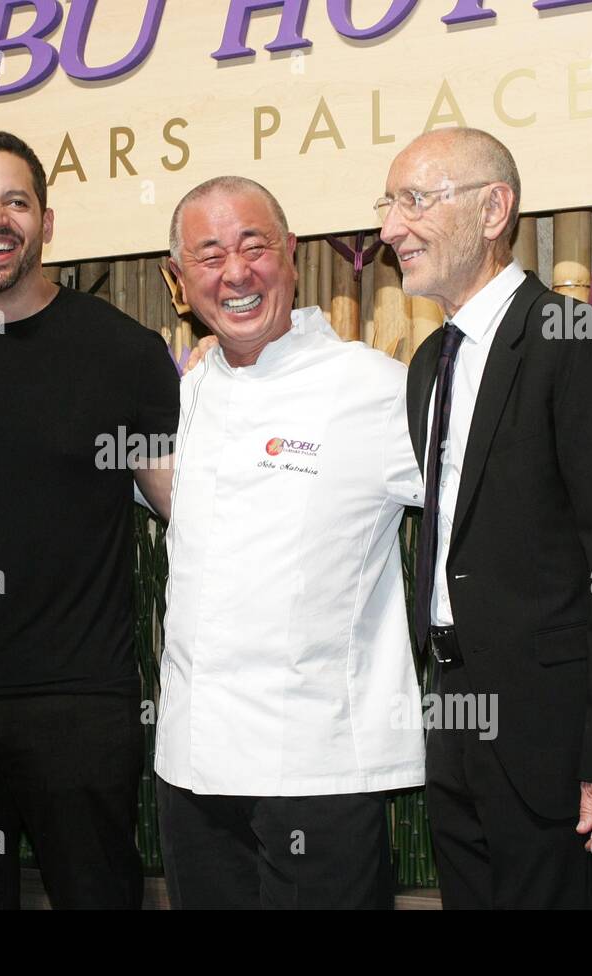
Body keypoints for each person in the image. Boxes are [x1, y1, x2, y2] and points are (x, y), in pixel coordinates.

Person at [0, 131, 179, 909]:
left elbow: (180, 503)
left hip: (75, 702)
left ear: (47, 222)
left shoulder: (124, 353)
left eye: (16, 201)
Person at [383, 127, 592, 908]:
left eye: (414, 201)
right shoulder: (426, 365)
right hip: (455, 721)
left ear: (493, 209)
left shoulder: (571, 340)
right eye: (388, 204)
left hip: (555, 743)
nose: (389, 228)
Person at [154, 176, 426, 909]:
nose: (236, 273)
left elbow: (485, 504)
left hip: (319, 770)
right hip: (190, 767)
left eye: (254, 246)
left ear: (292, 255)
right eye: (209, 256)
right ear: (179, 280)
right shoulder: (175, 396)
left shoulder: (371, 386)